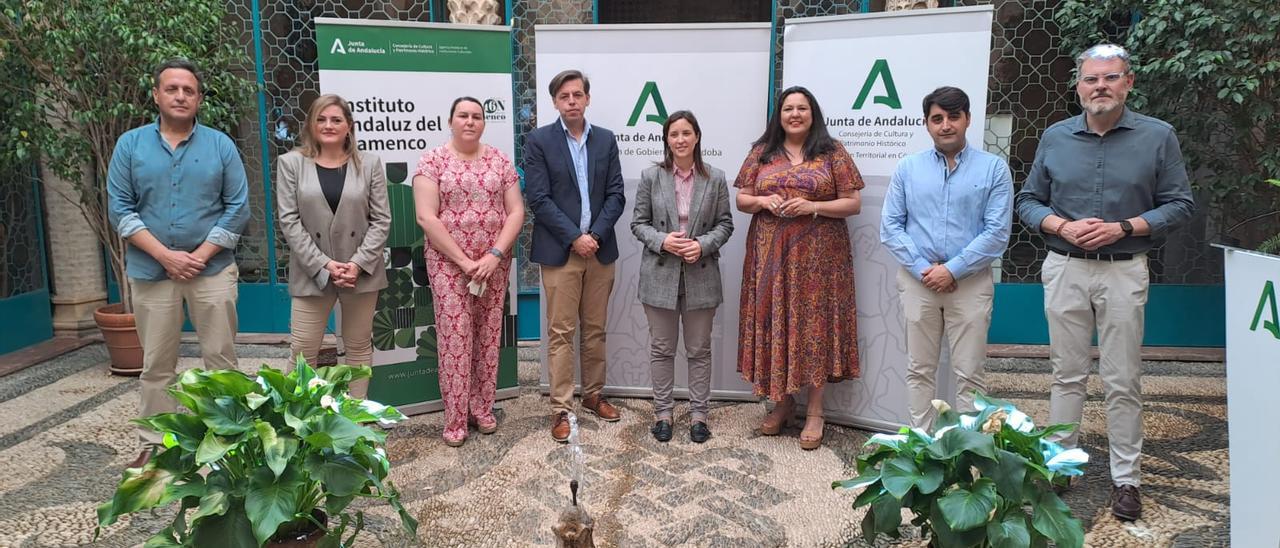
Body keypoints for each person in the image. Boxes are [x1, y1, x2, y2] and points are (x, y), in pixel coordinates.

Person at [1015, 43, 1195, 521]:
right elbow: (1029, 201)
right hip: (1065, 266)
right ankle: (1061, 465)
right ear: (1078, 87)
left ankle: (1126, 481)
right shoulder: (1055, 137)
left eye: (1110, 78)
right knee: (1065, 374)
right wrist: (1059, 225)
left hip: (1123, 268)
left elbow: (1180, 204)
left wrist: (1125, 227)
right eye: (1092, 79)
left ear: (1128, 82)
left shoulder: (1158, 137)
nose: (1101, 87)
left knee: (1122, 379)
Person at [106, 58, 250, 468]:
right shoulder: (130, 146)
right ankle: (154, 446)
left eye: (189, 90)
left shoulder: (221, 145)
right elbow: (121, 209)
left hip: (213, 271)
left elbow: (237, 208)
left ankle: (228, 440)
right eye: (172, 89)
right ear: (156, 94)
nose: (181, 96)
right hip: (152, 272)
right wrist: (165, 255)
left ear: (199, 98)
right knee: (156, 364)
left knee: (221, 360)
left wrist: (200, 256)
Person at [734, 86, 864, 450]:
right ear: (779, 115)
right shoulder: (762, 152)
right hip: (769, 258)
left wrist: (813, 207)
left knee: (814, 326)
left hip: (820, 260)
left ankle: (815, 411)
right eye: (788, 108)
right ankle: (783, 402)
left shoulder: (832, 151)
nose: (794, 114)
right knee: (776, 322)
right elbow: (742, 199)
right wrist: (763, 200)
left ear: (812, 113)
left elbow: (853, 203)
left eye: (802, 108)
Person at [880, 86, 1013, 429]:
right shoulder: (908, 168)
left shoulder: (994, 170)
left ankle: (969, 455)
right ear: (926, 124)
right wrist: (926, 270)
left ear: (968, 119)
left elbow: (996, 233)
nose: (946, 125)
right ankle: (922, 448)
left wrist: (952, 270)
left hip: (969, 283)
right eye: (937, 118)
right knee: (919, 369)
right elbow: (891, 227)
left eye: (954, 116)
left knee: (970, 373)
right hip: (918, 281)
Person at [414, 97, 524, 447]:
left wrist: (493, 254)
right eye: (463, 115)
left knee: (489, 335)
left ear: (484, 123)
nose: (470, 121)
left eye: (477, 116)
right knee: (456, 337)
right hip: (449, 265)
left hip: (493, 264)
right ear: (451, 121)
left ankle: (483, 409)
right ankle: (455, 419)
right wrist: (463, 261)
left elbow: (516, 211)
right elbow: (425, 216)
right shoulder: (433, 161)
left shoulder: (500, 161)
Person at [523, 69, 626, 443]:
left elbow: (616, 194)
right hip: (561, 252)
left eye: (577, 94)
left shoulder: (606, 140)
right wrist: (575, 238)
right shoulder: (539, 140)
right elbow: (538, 198)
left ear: (587, 99)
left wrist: (594, 235)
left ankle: (594, 394)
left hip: (599, 250)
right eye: (564, 96)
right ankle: (561, 409)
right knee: (561, 332)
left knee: (595, 329)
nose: (571, 101)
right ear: (555, 101)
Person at [276, 94, 390, 399]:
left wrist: (356, 264)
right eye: (321, 119)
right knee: (303, 349)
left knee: (357, 346)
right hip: (311, 272)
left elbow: (382, 220)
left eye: (336, 119)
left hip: (360, 272)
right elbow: (288, 221)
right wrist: (324, 264)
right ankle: (299, 420)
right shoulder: (290, 163)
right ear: (311, 124)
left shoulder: (369, 164)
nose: (328, 125)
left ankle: (356, 416)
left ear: (349, 126)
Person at [630, 111, 734, 443]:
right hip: (660, 273)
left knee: (699, 349)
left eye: (686, 133)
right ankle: (663, 414)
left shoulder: (715, 178)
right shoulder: (651, 176)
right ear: (667, 140)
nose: (680, 139)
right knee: (661, 348)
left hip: (700, 274)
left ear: (697, 137)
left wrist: (702, 245)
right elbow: (638, 223)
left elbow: (725, 224)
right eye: (674, 134)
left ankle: (699, 416)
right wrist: (663, 241)